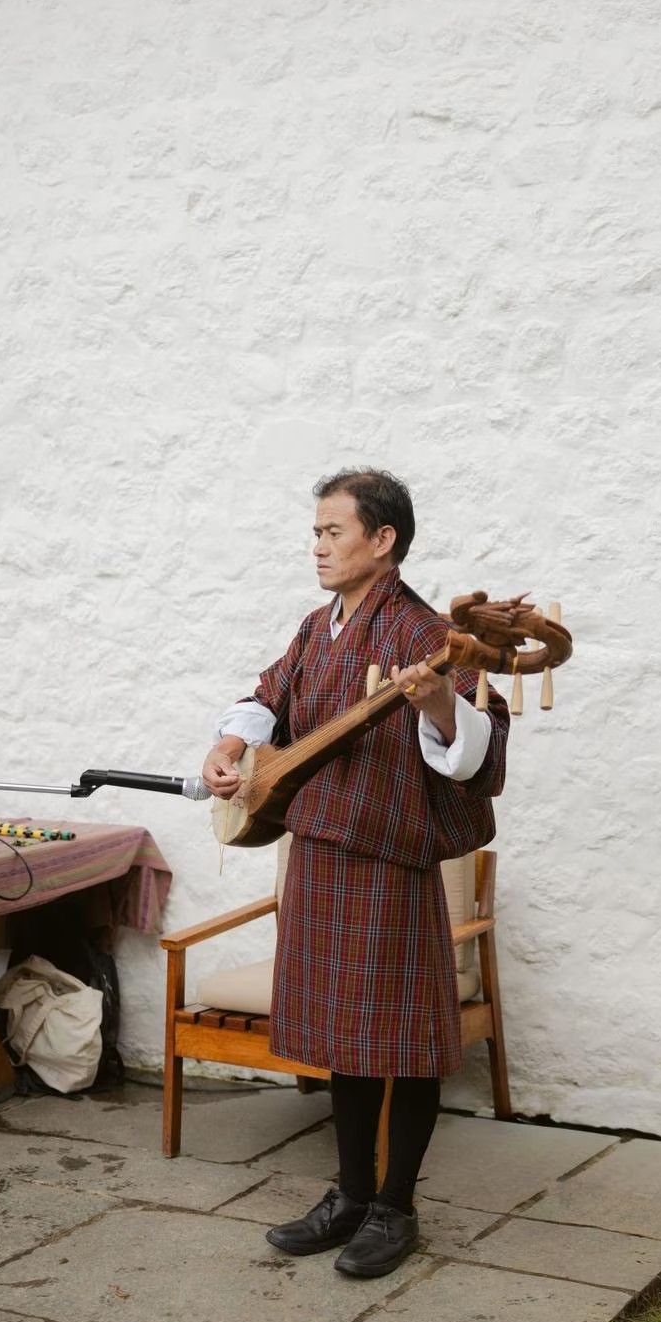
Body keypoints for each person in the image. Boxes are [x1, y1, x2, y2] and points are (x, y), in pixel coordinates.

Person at [202, 467, 509, 1277]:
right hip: (320, 854)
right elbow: (268, 695)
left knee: (401, 1040)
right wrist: (232, 745)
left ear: (384, 541)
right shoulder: (316, 626)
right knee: (346, 1039)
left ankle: (396, 1207)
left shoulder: (422, 632)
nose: (318, 546)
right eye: (315, 532)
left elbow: (479, 747)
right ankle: (347, 1194)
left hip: (390, 860)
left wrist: (439, 703)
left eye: (334, 532)